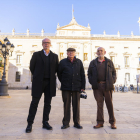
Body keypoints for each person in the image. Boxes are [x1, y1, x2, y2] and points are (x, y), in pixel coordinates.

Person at [26, 38, 59, 133]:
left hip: (50, 83)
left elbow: (56, 69)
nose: (46, 44)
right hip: (38, 83)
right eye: (44, 43)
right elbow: (32, 67)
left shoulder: (55, 56)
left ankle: (45, 122)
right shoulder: (36, 55)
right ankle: (29, 124)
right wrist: (37, 76)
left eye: (48, 43)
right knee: (34, 103)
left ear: (50, 44)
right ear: (42, 44)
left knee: (47, 104)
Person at [88, 47, 117, 129]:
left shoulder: (109, 62)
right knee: (99, 105)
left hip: (107, 86)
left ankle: (112, 122)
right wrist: (92, 81)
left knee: (109, 105)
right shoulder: (93, 63)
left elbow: (114, 72)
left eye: (101, 51)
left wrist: (112, 81)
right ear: (96, 53)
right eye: (98, 51)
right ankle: (100, 122)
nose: (100, 52)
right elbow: (89, 73)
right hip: (97, 86)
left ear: (105, 52)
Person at [58, 48, 86, 129]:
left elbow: (82, 75)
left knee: (76, 106)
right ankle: (66, 123)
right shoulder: (62, 62)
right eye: (69, 52)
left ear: (75, 53)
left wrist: (82, 87)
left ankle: (76, 123)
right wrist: (64, 81)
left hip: (77, 87)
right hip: (66, 87)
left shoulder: (79, 62)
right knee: (66, 105)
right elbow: (59, 74)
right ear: (67, 53)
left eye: (72, 52)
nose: (71, 53)